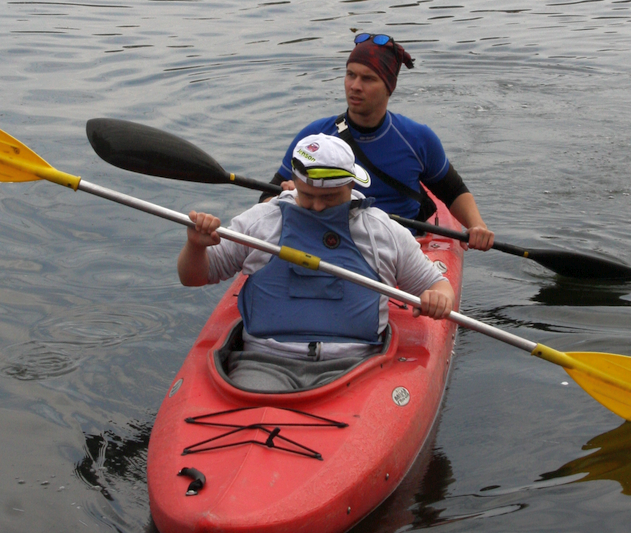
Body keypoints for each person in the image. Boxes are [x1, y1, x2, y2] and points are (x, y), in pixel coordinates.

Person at [177, 132, 455, 394]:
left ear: (351, 185)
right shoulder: (261, 222)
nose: (318, 206)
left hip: (357, 365)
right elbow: (193, 277)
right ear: (294, 183)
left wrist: (438, 299)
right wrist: (196, 246)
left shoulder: (381, 231)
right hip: (264, 362)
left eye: (330, 198)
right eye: (307, 196)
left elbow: (438, 285)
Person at [271, 34, 495, 250]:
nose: (355, 85)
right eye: (350, 75)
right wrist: (289, 195)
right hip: (329, 243)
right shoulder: (315, 138)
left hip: (400, 249)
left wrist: (477, 226)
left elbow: (454, 192)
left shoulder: (417, 139)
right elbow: (267, 197)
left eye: (368, 78)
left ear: (389, 87)